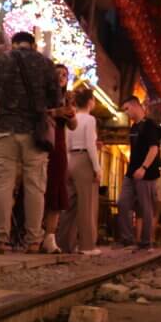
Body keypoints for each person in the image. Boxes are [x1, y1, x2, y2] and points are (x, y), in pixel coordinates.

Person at [0, 31, 61, 254]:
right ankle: (33, 241)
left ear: (14, 44)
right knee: (35, 186)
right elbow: (56, 101)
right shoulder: (46, 64)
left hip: (5, 129)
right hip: (35, 133)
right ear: (33, 45)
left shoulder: (2, 60)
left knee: (2, 185)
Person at [116, 96, 161, 249]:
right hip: (131, 173)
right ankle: (127, 239)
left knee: (145, 207)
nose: (126, 113)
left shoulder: (149, 125)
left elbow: (154, 148)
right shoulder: (133, 128)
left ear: (135, 106)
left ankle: (145, 242)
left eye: (127, 109)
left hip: (146, 174)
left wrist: (144, 168)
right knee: (123, 202)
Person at [59, 87, 101, 255]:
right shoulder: (90, 120)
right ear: (90, 102)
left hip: (70, 160)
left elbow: (67, 143)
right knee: (87, 205)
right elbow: (90, 145)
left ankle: (64, 244)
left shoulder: (72, 117)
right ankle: (87, 245)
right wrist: (97, 168)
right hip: (84, 161)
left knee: (69, 205)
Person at [43, 63, 77, 254]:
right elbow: (35, 113)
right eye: (58, 73)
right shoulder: (44, 94)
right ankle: (34, 233)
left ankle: (50, 237)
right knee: (40, 188)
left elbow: (73, 125)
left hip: (59, 145)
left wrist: (70, 111)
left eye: (65, 74)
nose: (62, 76)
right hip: (42, 143)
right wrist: (55, 112)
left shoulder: (65, 99)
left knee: (56, 190)